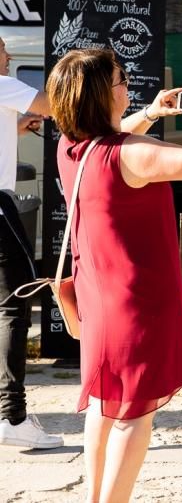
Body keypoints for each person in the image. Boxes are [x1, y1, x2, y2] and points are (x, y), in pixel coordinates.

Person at [46, 48, 182, 501]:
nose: (128, 86)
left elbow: (115, 138)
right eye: (122, 80)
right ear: (102, 93)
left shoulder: (71, 148)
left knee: (106, 403)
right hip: (138, 299)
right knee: (134, 413)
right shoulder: (132, 155)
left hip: (97, 295)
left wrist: (147, 112)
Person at [0, 35, 59, 450]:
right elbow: (54, 105)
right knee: (14, 303)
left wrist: (16, 125)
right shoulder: (1, 84)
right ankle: (11, 417)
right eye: (3, 50)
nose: (7, 56)